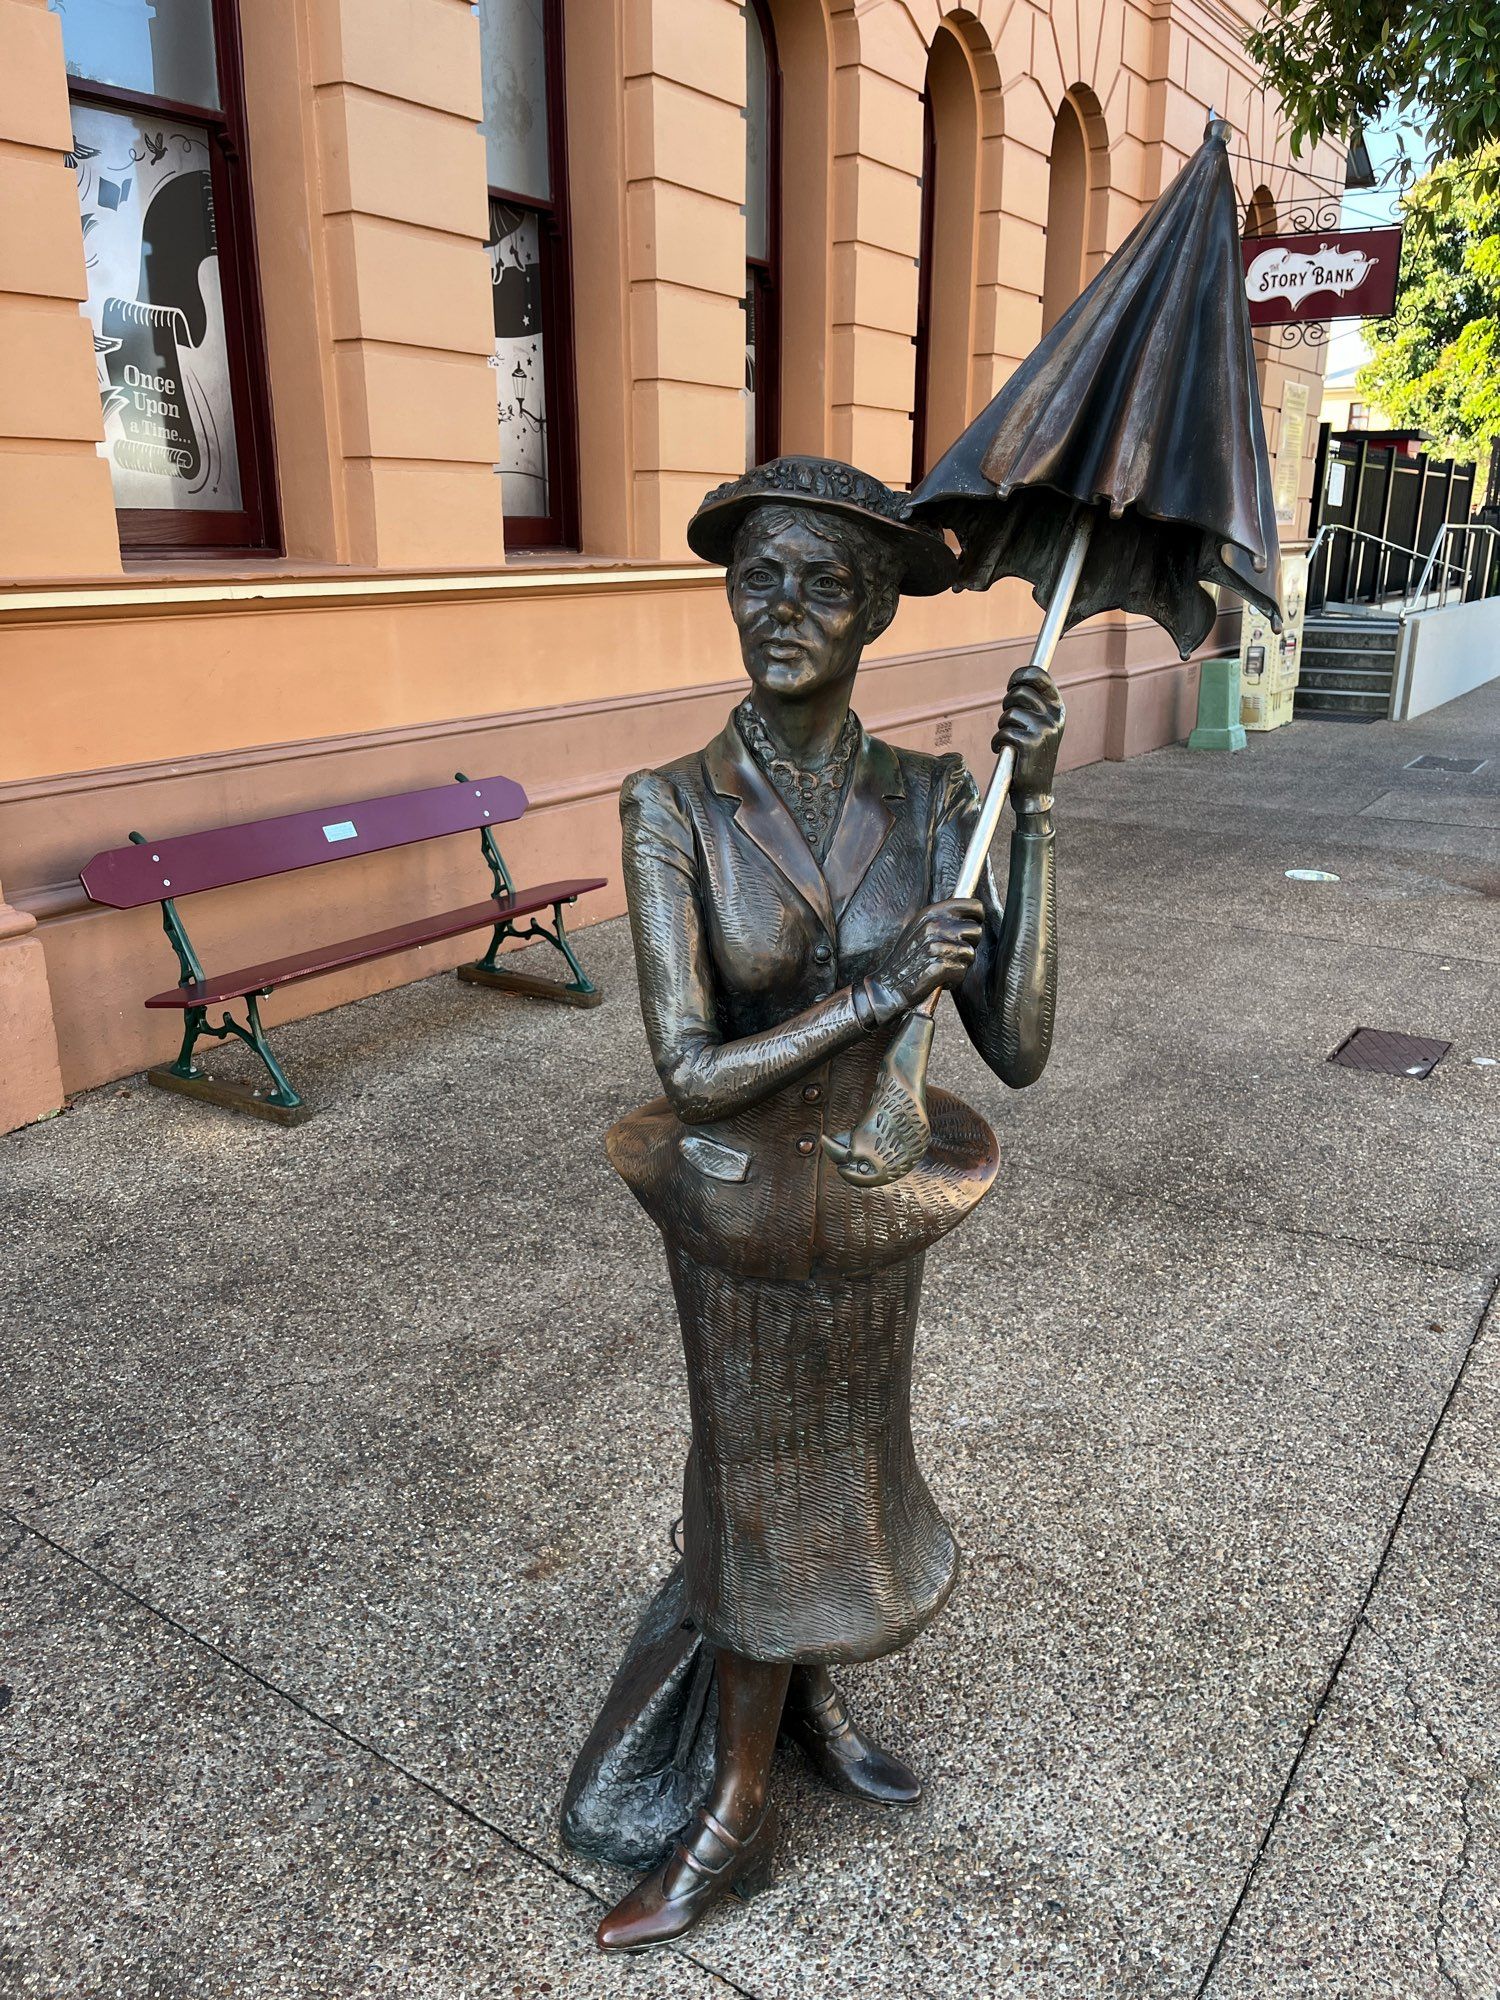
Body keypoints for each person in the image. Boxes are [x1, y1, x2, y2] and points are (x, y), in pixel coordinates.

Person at [592, 456, 1063, 1951]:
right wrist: (869, 988)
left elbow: (1021, 1044)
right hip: (735, 1216)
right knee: (753, 1487)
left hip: (867, 1191)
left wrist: (1034, 822)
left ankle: (803, 1704)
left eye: (825, 583)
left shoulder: (935, 802)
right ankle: (730, 1806)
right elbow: (686, 1065)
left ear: (872, 615)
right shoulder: (672, 804)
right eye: (760, 577)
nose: (783, 608)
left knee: (846, 1469)